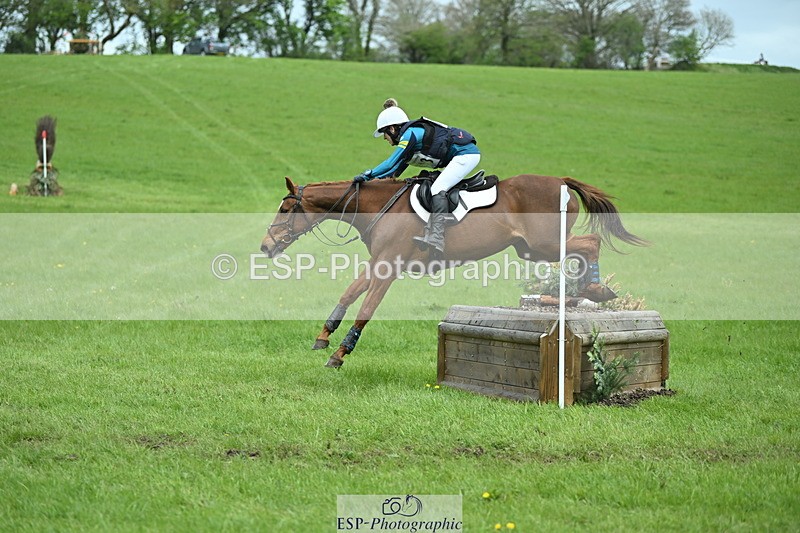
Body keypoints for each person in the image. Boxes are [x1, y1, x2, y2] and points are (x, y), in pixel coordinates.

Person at [353, 98, 481, 255]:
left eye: (384, 134)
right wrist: (371, 185)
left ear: (392, 129)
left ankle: (437, 237)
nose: (385, 140)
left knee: (438, 188)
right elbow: (393, 172)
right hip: (459, 156)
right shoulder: (410, 139)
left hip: (466, 155)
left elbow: (389, 163)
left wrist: (367, 175)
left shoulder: (411, 134)